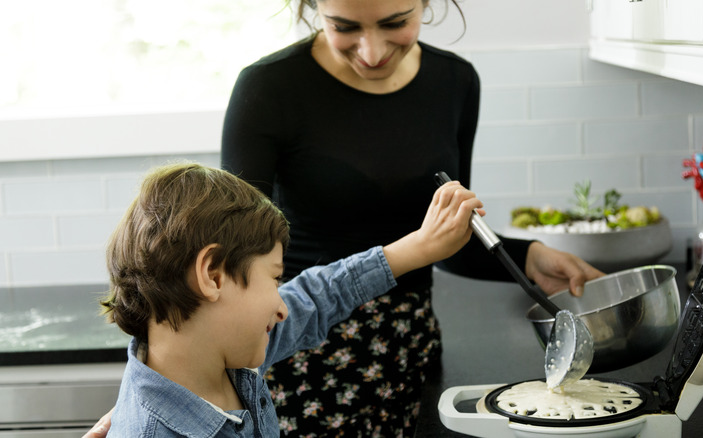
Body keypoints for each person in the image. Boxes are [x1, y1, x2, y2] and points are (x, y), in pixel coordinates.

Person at [84, 0, 604, 436]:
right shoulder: (269, 90)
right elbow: (225, 255)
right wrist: (159, 393)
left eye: (395, 21)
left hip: (406, 350)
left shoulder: (456, 82)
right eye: (344, 27)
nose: (372, 52)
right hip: (294, 355)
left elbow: (440, 240)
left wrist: (528, 256)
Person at [95, 162, 483, 437]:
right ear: (212, 275)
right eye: (275, 278)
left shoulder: (216, 347)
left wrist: (419, 247)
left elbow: (318, 294)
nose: (282, 306)